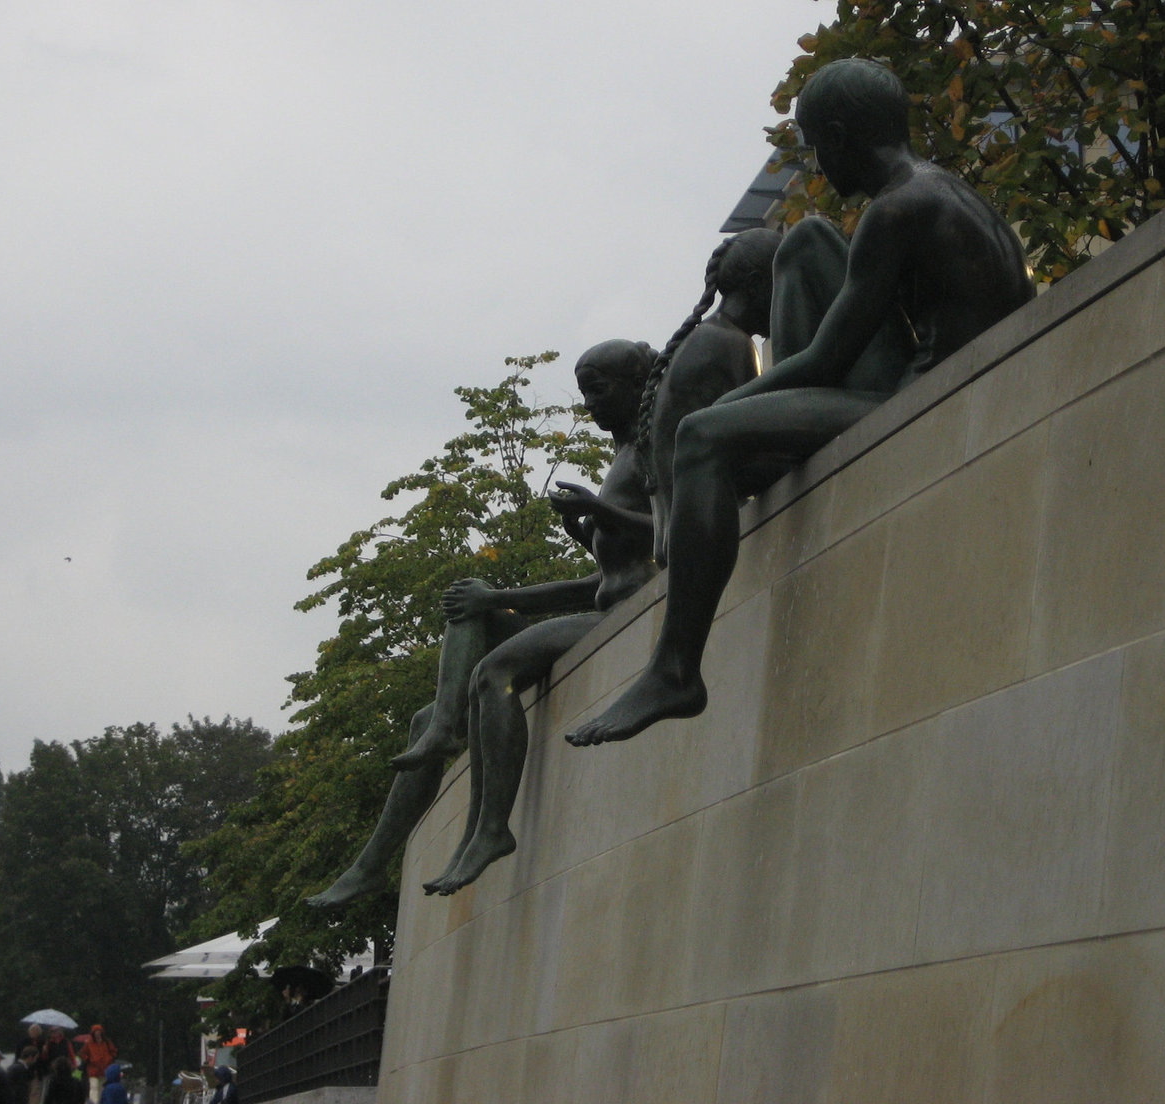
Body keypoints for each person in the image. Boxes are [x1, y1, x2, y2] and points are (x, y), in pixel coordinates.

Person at [567, 57, 1033, 747]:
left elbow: (826, 362)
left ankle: (675, 670)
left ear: (841, 135)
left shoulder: (896, 210)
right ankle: (751, 458)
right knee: (808, 239)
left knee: (703, 440)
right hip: (926, 374)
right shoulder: (939, 189)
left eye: (817, 144)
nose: (818, 161)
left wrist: (717, 419)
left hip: (929, 396)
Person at [306, 339, 658, 903]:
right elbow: (595, 580)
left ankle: (492, 829)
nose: (589, 404)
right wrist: (499, 598)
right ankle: (374, 859)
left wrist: (597, 512)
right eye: (583, 392)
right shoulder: (620, 458)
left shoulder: (653, 449)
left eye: (599, 390)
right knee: (467, 612)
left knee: (493, 672)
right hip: (604, 604)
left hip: (633, 616)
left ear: (637, 386)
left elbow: (675, 533)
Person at [636, 227, 781, 567]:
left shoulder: (709, 337)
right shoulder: (729, 343)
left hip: (680, 536)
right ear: (760, 284)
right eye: (785, 283)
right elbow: (762, 435)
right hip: (701, 531)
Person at [80, 1025, 117, 1104]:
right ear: (93, 1033)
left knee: (102, 1089)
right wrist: (89, 1059)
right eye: (96, 1032)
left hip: (105, 1070)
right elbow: (82, 1054)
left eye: (99, 1032)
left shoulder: (107, 1042)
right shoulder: (89, 1043)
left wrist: (109, 1059)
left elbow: (114, 1052)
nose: (97, 1034)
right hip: (93, 1070)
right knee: (94, 1088)